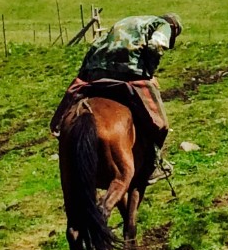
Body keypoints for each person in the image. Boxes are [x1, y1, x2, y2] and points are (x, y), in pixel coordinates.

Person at [51, 12, 182, 174]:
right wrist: (149, 73)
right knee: (161, 124)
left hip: (95, 67)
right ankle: (153, 163)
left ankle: (59, 128)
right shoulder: (164, 26)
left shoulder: (129, 21)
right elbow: (155, 46)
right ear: (174, 28)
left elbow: (100, 41)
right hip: (130, 69)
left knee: (71, 103)